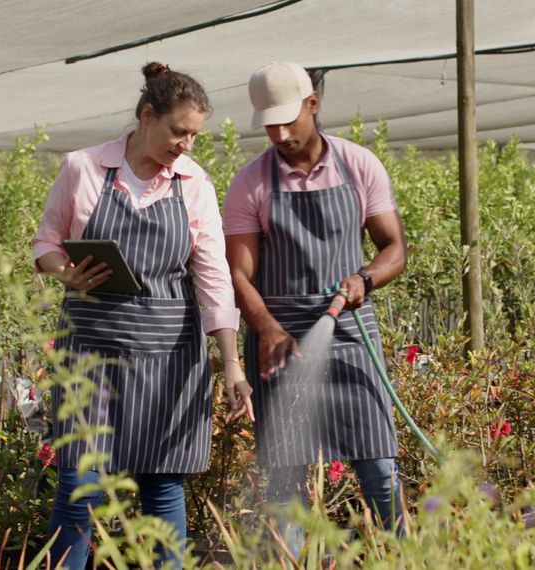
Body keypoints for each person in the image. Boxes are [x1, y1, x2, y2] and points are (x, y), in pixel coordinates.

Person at [32, 62, 254, 570]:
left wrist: (232, 364)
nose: (187, 145)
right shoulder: (83, 168)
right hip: (90, 351)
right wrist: (64, 272)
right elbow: (46, 242)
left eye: (195, 135)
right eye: (180, 132)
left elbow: (214, 277)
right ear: (147, 115)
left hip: (168, 357)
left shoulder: (194, 183)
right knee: (79, 485)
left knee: (161, 484)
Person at [223, 62, 408, 556]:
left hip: (348, 331)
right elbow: (238, 274)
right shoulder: (250, 184)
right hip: (278, 340)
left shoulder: (359, 165)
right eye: (269, 124)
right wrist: (265, 329)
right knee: (285, 483)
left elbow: (394, 249)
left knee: (379, 467)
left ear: (313, 104)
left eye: (289, 120)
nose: (280, 134)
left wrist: (364, 279)